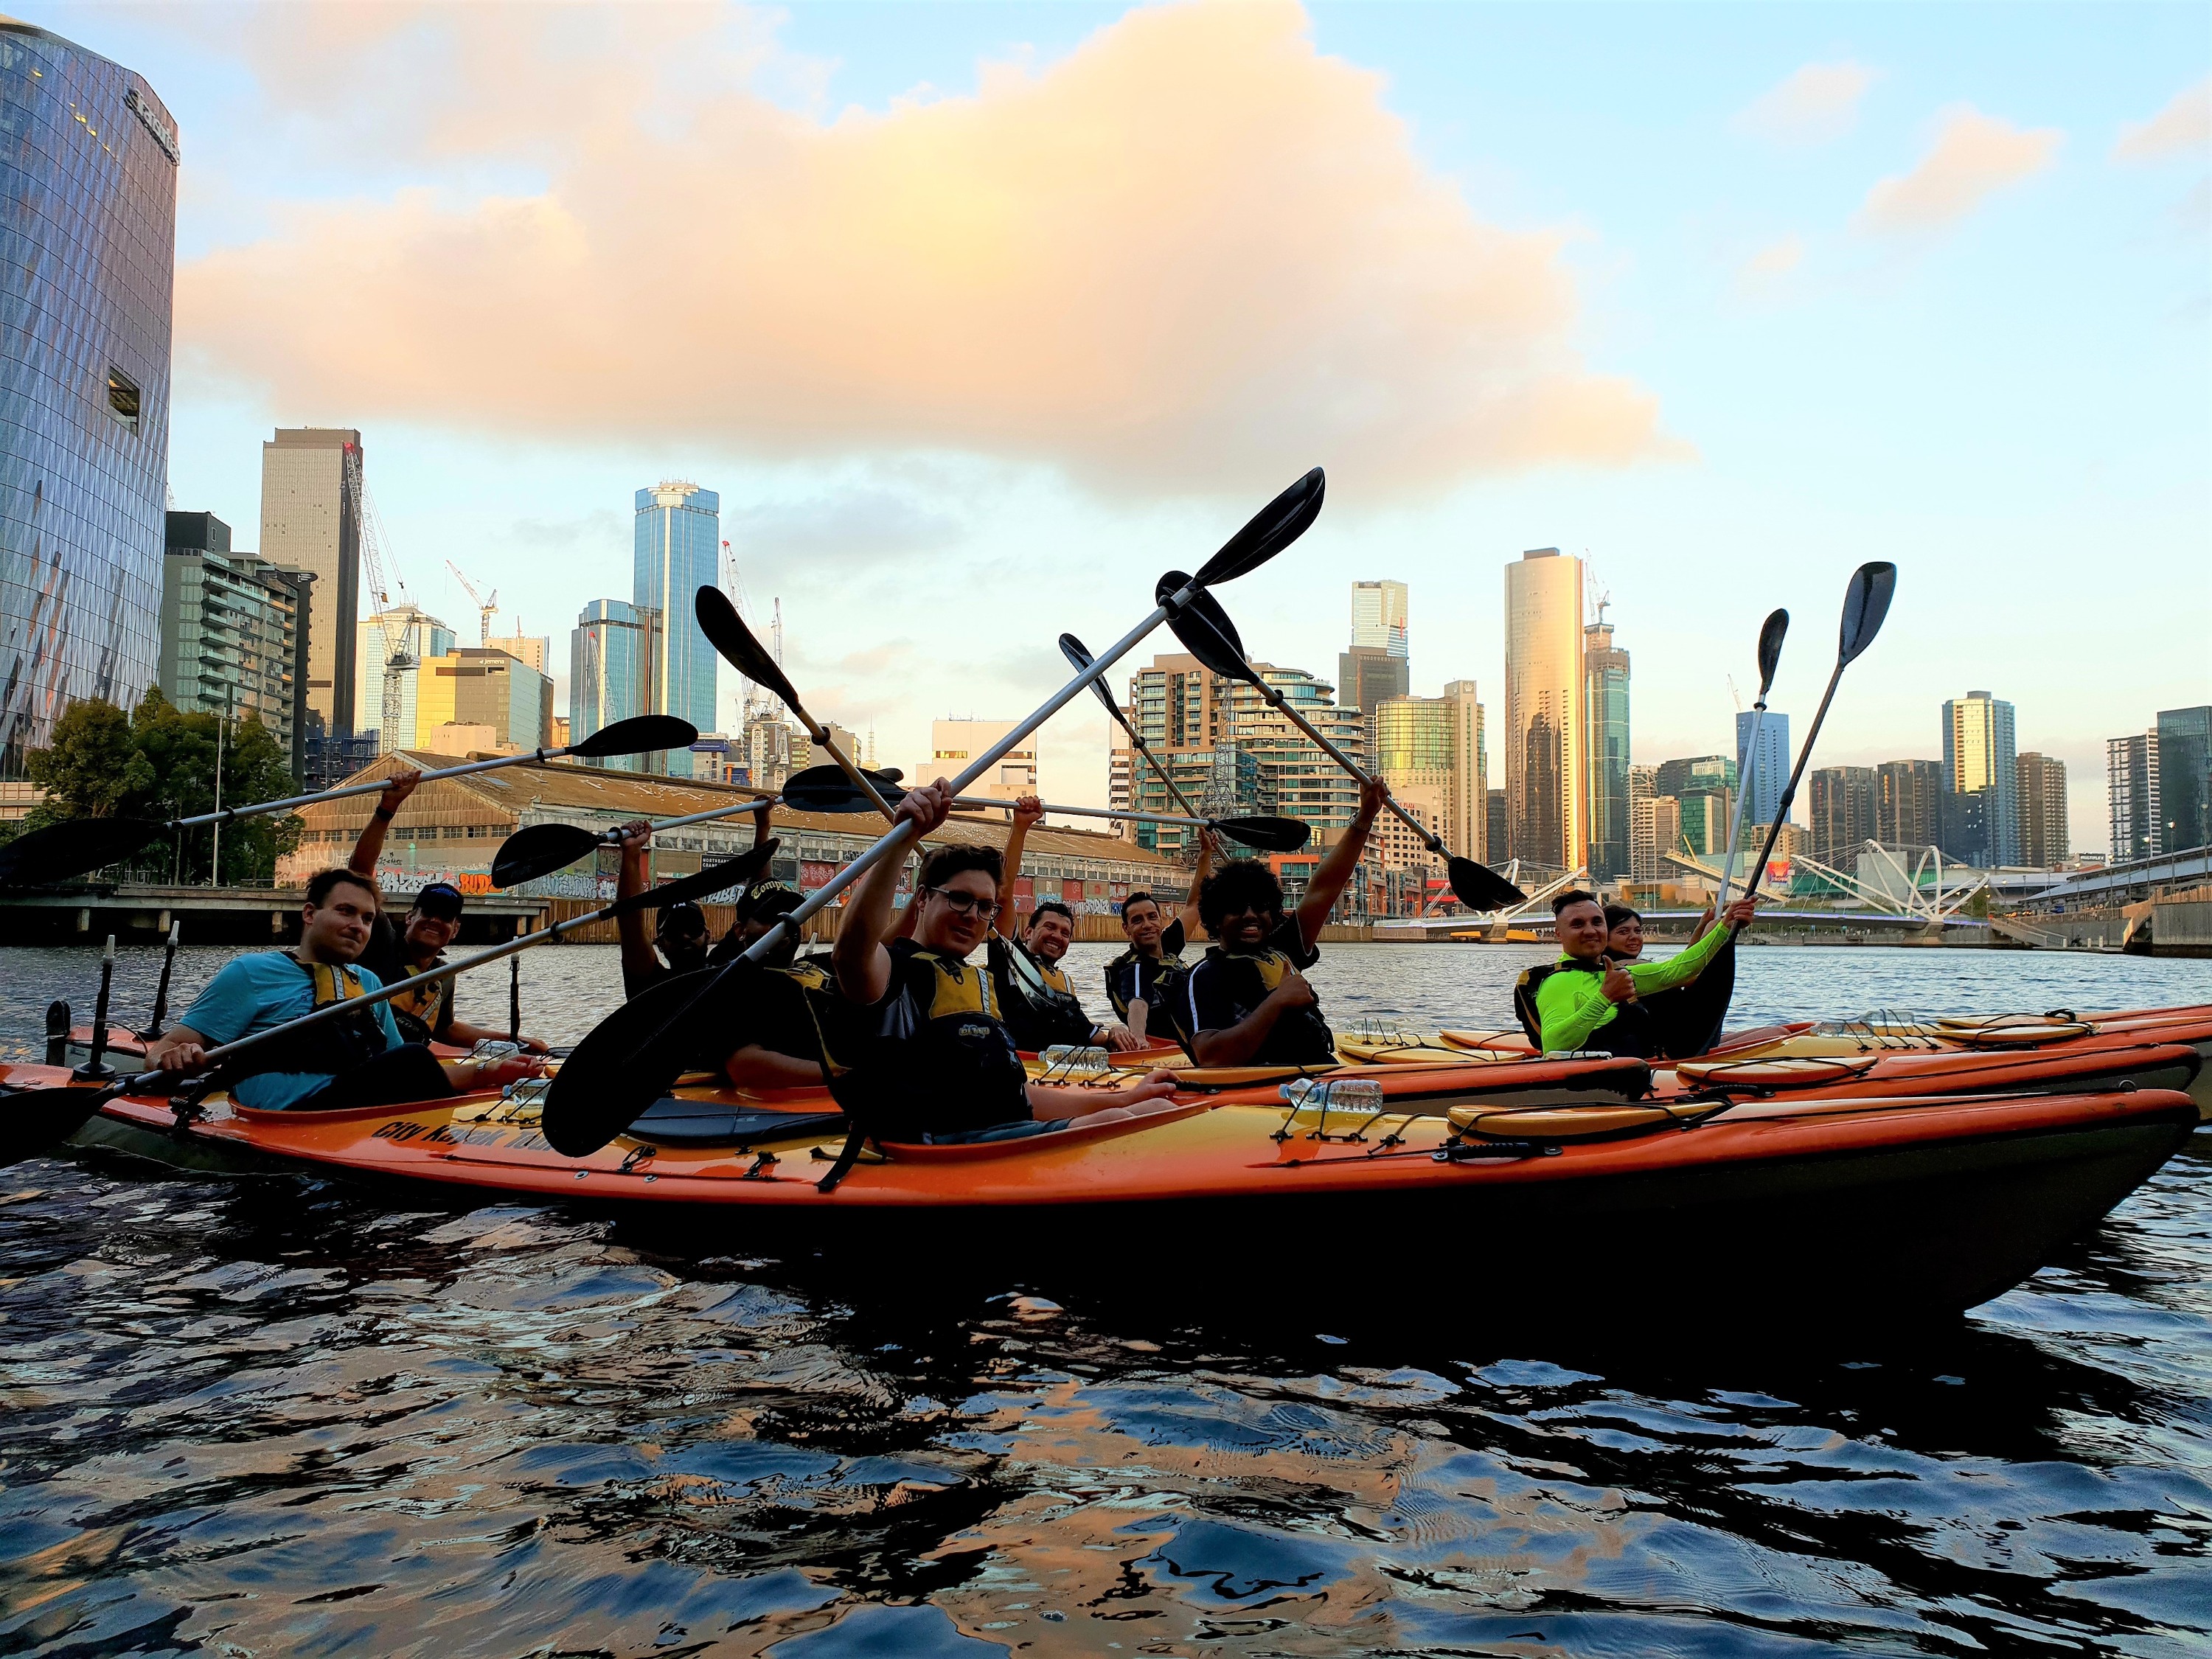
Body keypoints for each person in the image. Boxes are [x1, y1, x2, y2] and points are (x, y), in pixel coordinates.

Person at [830, 779, 1180, 1143]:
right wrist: (902, 839)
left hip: (1002, 1132)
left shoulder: (977, 983)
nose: (972, 915)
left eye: (984, 907)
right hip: (937, 1149)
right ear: (922, 900)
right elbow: (850, 952)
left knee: (1150, 1110)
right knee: (1147, 1120)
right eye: (959, 899)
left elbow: (1016, 1095)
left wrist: (1127, 1097)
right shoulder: (891, 970)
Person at [144, 868, 541, 1110]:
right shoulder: (251, 972)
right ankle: (476, 1076)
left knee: (411, 1055)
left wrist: (494, 1058)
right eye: (346, 911)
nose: (359, 926)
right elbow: (160, 1054)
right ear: (310, 914)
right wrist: (179, 1057)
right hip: (284, 1106)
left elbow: (393, 1061)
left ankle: (481, 1077)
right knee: (414, 1059)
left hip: (348, 1099)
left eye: (368, 918)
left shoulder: (368, 983)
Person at [1177, 777, 1385, 1068]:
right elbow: (1211, 1057)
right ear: (1216, 919)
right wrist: (1277, 1001)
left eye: (1261, 907)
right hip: (1268, 1094)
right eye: (1237, 908)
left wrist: (1365, 815)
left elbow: (1325, 887)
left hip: (1320, 1076)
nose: (1251, 915)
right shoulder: (1206, 976)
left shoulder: (1282, 950)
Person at [347, 769, 549, 1052]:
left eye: (444, 918)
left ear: (454, 930)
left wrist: (513, 1040)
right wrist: (387, 808)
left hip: (408, 1058)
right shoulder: (382, 943)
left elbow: (445, 1029)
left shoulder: (444, 974)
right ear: (409, 918)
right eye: (427, 913)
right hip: (372, 1055)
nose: (434, 921)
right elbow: (359, 874)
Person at [1512, 889, 1759, 1058]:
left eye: (1597, 923)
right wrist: (1604, 998)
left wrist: (1726, 927)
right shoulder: (1558, 983)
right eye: (1578, 925)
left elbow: (1680, 970)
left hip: (1645, 1071)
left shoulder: (1617, 973)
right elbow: (1553, 1045)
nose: (1591, 931)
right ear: (1559, 935)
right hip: (1602, 1086)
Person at [988, 795, 1140, 1053]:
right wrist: (1021, 827)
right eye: (1049, 927)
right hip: (1025, 1068)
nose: (1057, 936)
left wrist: (1116, 1031)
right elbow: (1003, 891)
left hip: (1068, 1072)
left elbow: (1090, 1035)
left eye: (1065, 933)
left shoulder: (1066, 983)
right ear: (1028, 931)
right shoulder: (1010, 956)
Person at [1102, 830, 1213, 1046]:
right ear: (1127, 929)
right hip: (1171, 1047)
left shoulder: (1167, 944)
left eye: (1152, 917)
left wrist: (1206, 853)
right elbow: (1138, 1002)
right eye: (1137, 920)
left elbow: (1194, 904)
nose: (1147, 925)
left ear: (1161, 921)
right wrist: (1138, 1038)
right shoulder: (1134, 968)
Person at [1600, 898, 1747, 1059]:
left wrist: (1701, 928)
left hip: (1680, 1039)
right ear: (1605, 937)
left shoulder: (1628, 965)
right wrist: (1715, 932)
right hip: (1676, 1047)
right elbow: (1693, 975)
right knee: (1775, 1033)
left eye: (1637, 931)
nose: (1634, 937)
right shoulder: (1622, 968)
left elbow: (1686, 965)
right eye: (1623, 932)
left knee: (1778, 1032)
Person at [614, 818, 710, 996]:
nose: (684, 936)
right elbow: (630, 921)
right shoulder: (651, 985)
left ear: (708, 935)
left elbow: (758, 915)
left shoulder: (731, 972)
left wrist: (762, 826)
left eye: (693, 928)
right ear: (660, 944)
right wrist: (632, 851)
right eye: (673, 931)